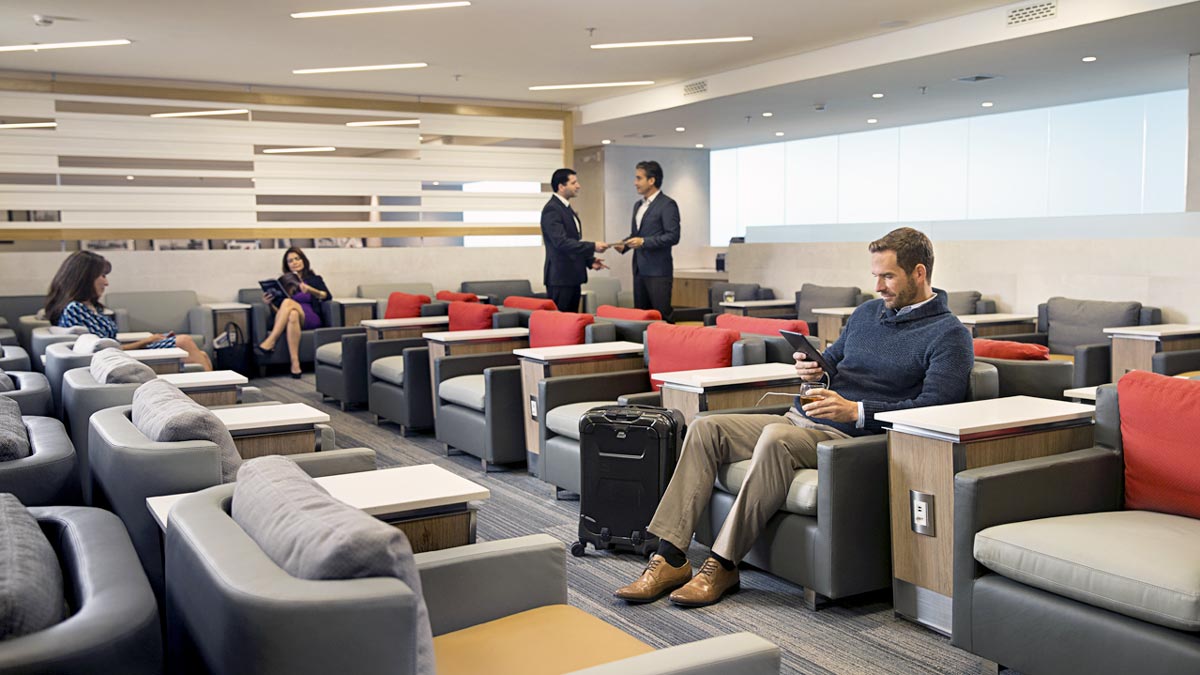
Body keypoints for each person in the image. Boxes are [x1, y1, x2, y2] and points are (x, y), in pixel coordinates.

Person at [615, 227, 973, 607]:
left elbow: (937, 407)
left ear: (919, 273)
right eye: (875, 276)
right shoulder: (868, 313)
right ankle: (669, 556)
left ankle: (722, 563)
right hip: (801, 417)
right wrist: (812, 369)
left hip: (849, 439)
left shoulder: (948, 334)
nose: (879, 286)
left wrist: (858, 411)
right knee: (706, 428)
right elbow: (833, 364)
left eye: (888, 276)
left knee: (774, 437)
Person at [44, 250, 212, 371]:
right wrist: (145, 342)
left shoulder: (88, 307)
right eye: (102, 276)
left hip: (119, 356)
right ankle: (215, 390)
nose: (106, 283)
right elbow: (101, 351)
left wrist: (148, 340)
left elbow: (107, 343)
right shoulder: (75, 309)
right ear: (85, 278)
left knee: (201, 354)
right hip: (113, 362)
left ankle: (220, 395)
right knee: (183, 341)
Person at [615, 160, 679, 319]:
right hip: (639, 270)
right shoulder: (638, 205)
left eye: (639, 178)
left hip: (658, 271)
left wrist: (644, 242)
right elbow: (637, 234)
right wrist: (624, 245)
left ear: (652, 180)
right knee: (641, 317)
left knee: (661, 316)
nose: (635, 183)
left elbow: (673, 236)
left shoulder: (667, 205)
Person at [540, 168, 608, 312]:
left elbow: (573, 242)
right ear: (561, 186)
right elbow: (561, 242)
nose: (578, 186)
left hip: (571, 276)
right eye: (574, 182)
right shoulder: (552, 209)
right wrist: (593, 246)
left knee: (572, 322)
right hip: (560, 277)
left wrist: (588, 260)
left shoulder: (566, 208)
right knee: (561, 324)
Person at [257, 247, 330, 378]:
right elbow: (280, 312)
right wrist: (270, 303)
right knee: (292, 314)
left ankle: (271, 340)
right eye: (290, 261)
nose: (295, 262)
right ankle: (295, 364)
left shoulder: (315, 279)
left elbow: (326, 296)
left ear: (303, 260)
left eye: (297, 258)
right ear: (287, 265)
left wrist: (310, 290)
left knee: (288, 303)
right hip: (292, 317)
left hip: (310, 317)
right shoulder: (283, 282)